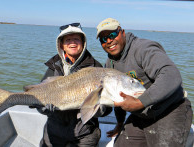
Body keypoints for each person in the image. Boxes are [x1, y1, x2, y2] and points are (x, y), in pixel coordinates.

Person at [96, 18, 193, 147]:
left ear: (122, 32)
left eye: (112, 35)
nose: (109, 41)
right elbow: (117, 96)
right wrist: (119, 123)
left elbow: (171, 74)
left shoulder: (143, 49)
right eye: (103, 39)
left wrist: (140, 102)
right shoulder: (110, 62)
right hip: (142, 115)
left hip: (171, 110)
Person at [39, 23, 112, 147]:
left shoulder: (96, 68)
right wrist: (43, 108)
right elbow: (38, 94)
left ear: (83, 43)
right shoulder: (54, 65)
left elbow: (107, 109)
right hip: (54, 131)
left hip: (84, 134)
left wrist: (99, 109)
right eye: (68, 40)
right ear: (61, 44)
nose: (72, 43)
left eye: (76, 39)